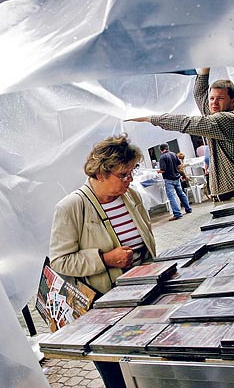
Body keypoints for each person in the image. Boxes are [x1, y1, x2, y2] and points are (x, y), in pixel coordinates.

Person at [49, 133, 156, 388]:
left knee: (146, 369)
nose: (129, 180)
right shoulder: (71, 207)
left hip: (143, 296)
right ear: (99, 173)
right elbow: (60, 261)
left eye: (132, 172)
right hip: (104, 309)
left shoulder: (130, 196)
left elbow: (146, 236)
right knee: (118, 377)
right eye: (123, 175)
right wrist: (105, 259)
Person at [126, 68, 234, 203]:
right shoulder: (217, 116)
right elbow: (200, 96)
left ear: (233, 101)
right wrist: (203, 72)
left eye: (220, 98)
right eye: (212, 98)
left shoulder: (228, 120)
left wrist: (150, 118)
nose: (214, 102)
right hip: (226, 200)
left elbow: (187, 123)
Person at [158, 144, 192, 221]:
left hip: (168, 179)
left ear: (161, 149)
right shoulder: (173, 154)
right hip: (177, 178)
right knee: (181, 194)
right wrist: (181, 174)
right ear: (167, 148)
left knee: (172, 197)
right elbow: (180, 166)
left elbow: (163, 169)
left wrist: (158, 171)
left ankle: (177, 214)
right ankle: (188, 209)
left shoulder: (162, 157)